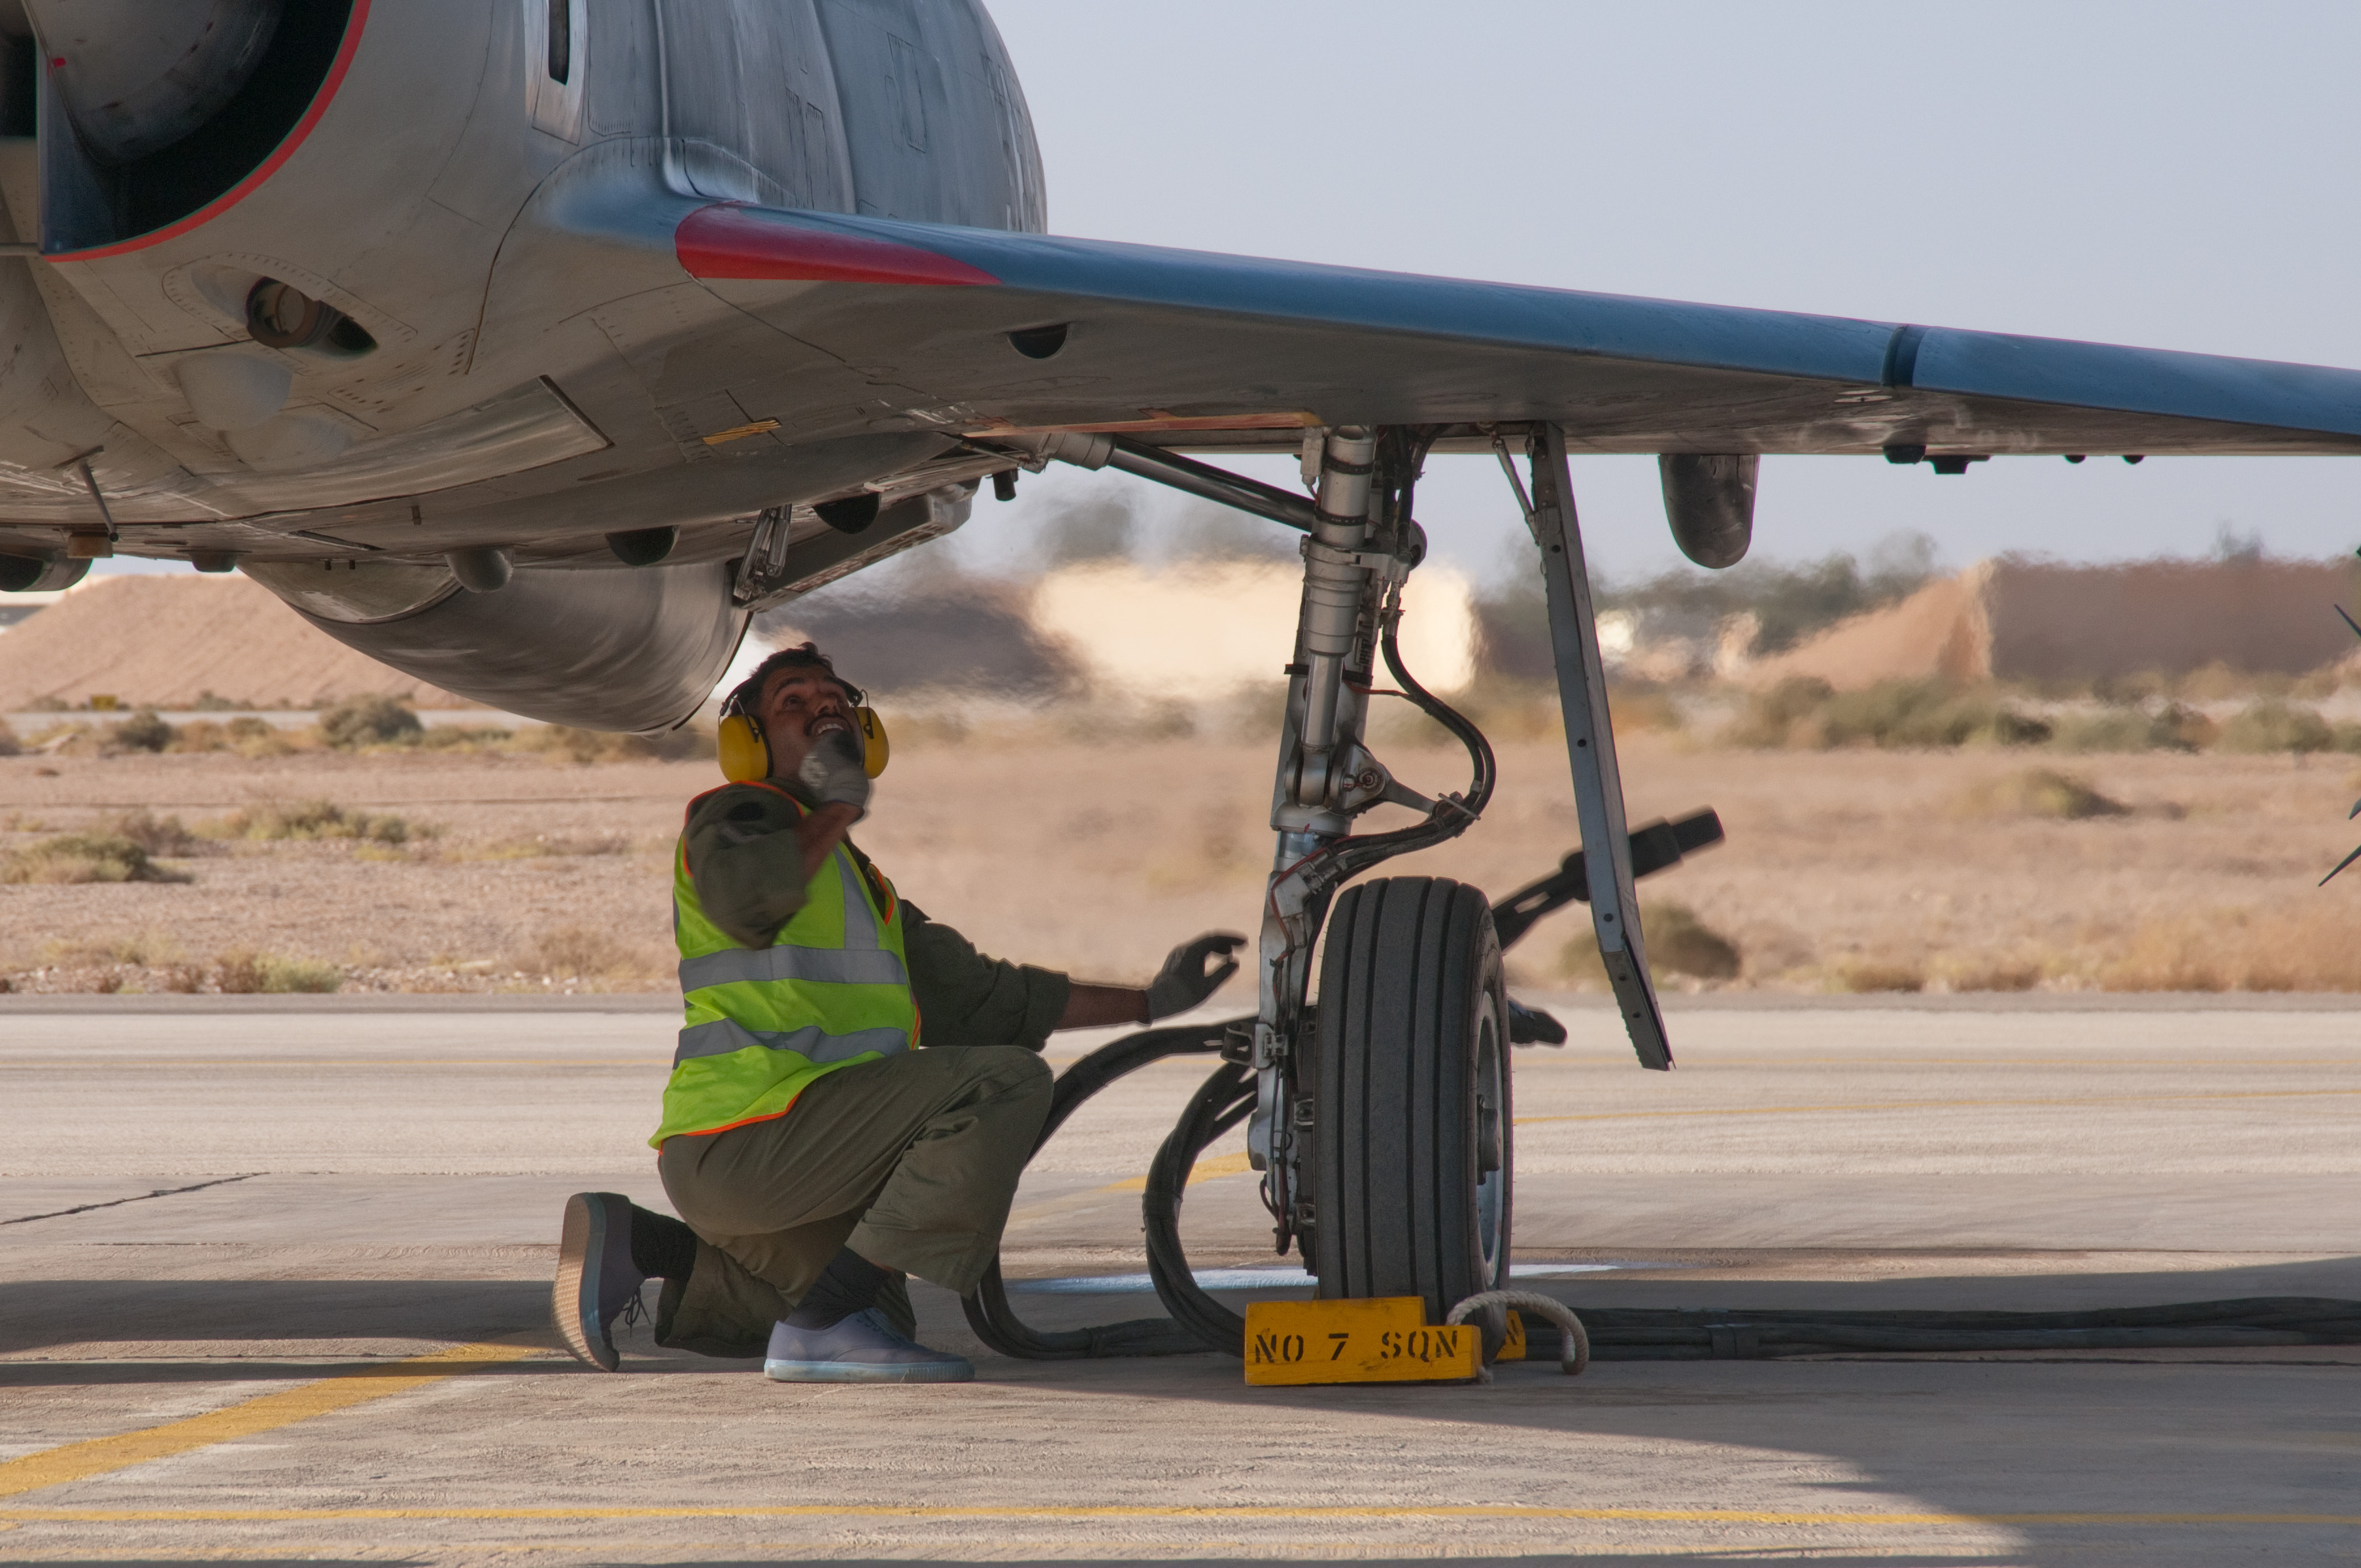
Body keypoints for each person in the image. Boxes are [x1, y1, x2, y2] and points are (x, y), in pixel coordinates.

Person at [554, 642, 1243, 1383]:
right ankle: (820, 1326)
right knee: (1003, 1083)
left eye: (835, 700)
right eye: (793, 701)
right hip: (752, 1132)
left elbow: (984, 1000)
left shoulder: (862, 889)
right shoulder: (735, 815)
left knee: (877, 1315)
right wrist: (836, 805)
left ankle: (644, 1244)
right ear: (749, 743)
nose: (823, 707)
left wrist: (1151, 1001)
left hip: (794, 1158)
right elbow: (748, 899)